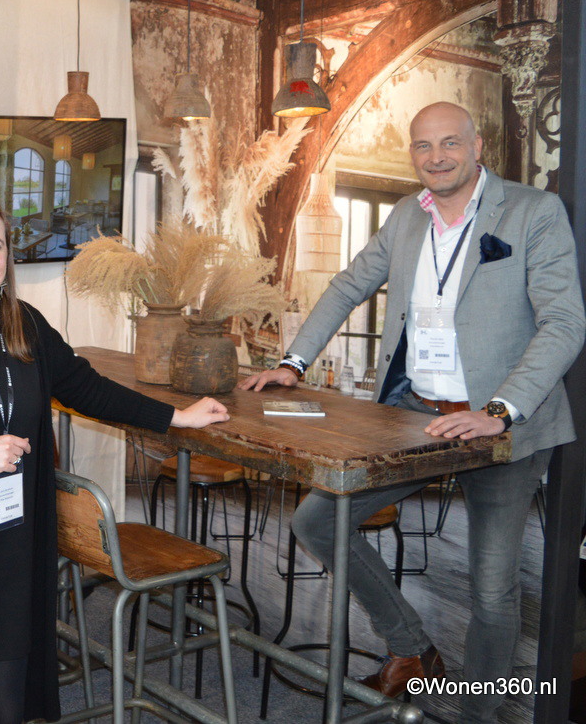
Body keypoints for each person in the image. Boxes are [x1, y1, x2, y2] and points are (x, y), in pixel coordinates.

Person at [238, 101, 585, 723]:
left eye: (450, 142)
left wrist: (500, 410)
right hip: (414, 418)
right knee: (318, 520)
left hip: (503, 429)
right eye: (423, 146)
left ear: (477, 147)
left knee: (491, 592)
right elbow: (348, 284)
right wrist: (293, 362)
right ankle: (413, 648)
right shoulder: (404, 216)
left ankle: (478, 714)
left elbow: (563, 323)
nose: (437, 156)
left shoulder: (533, 212)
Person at [0, 194, 229, 724]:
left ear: (8, 255)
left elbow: (85, 387)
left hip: (8, 542)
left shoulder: (23, 324)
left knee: (4, 694)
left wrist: (174, 416)